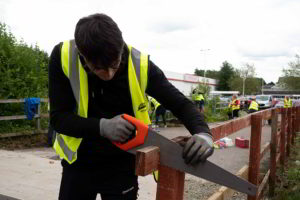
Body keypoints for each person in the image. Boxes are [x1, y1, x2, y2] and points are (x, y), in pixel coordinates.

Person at [49, 13, 214, 200]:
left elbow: (181, 104)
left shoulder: (140, 64)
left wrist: (203, 134)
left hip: (123, 164)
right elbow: (58, 118)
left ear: (121, 49)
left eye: (115, 64)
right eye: (98, 69)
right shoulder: (63, 56)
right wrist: (102, 127)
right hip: (79, 163)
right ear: (82, 55)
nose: (109, 74)